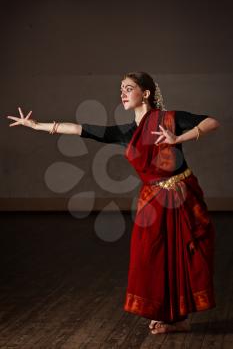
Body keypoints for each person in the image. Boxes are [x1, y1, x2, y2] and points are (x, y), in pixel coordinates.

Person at [6, 71, 220, 334]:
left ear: (146, 93)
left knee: (182, 257)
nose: (123, 93)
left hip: (181, 198)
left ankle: (180, 319)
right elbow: (81, 130)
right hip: (153, 201)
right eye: (121, 89)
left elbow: (211, 122)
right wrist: (36, 125)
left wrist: (179, 138)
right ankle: (168, 316)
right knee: (151, 258)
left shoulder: (170, 119)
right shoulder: (127, 132)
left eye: (129, 88)